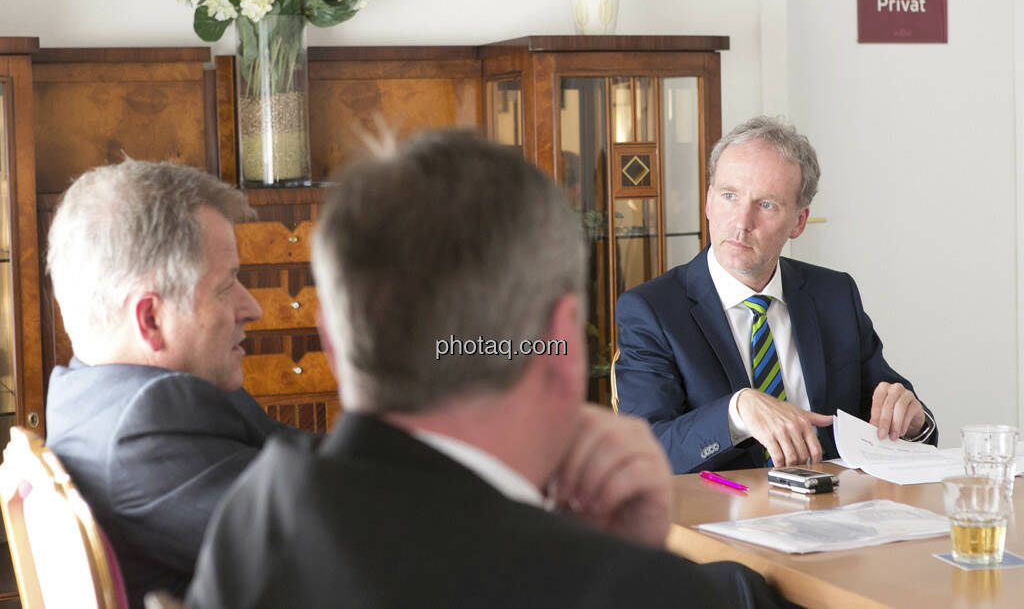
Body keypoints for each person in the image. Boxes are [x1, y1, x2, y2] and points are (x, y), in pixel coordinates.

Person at [186, 131, 791, 608]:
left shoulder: (253, 512)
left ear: (332, 344)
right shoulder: (627, 589)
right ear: (559, 343)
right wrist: (630, 557)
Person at [615, 116, 936, 474]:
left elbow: (893, 413)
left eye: (766, 205)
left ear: (799, 221)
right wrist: (736, 412)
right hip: (719, 517)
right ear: (708, 201)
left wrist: (913, 422)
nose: (741, 222)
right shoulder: (652, 310)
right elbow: (644, 452)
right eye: (729, 196)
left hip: (833, 512)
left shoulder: (834, 295)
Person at [45, 160, 300, 608]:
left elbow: (301, 459)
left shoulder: (88, 393)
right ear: (150, 318)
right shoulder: (143, 430)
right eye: (227, 286)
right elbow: (336, 543)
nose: (253, 307)